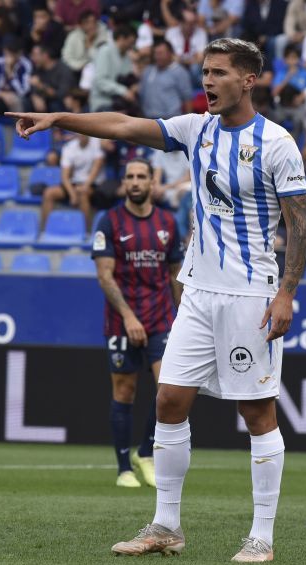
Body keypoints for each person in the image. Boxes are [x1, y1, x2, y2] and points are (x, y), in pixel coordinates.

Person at [7, 37, 306, 563]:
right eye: (205, 72)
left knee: (257, 411)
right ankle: (166, 525)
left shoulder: (278, 143)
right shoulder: (197, 130)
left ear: (248, 80)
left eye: (218, 73)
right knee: (169, 401)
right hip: (197, 291)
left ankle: (262, 534)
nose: (207, 82)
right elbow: (125, 125)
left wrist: (286, 292)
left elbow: (299, 225)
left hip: (249, 294)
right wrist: (60, 117)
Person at [91, 159, 184, 488]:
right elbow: (104, 276)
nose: (134, 181)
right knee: (125, 390)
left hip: (160, 318)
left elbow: (175, 274)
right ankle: (123, 469)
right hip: (121, 320)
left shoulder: (168, 223)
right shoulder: (109, 221)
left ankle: (145, 452)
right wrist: (129, 316)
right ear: (123, 183)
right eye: (129, 176)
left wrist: (183, 316)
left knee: (168, 389)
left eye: (141, 176)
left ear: (151, 182)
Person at [41, 133, 104, 233]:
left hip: (93, 184)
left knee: (82, 193)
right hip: (74, 183)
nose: (82, 135)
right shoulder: (69, 147)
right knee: (49, 193)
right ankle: (45, 231)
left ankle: (86, 232)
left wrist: (84, 187)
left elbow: (96, 170)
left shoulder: (97, 144)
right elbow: (64, 177)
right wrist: (72, 194)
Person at [0, 36, 33, 120]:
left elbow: (23, 91)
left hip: (16, 97)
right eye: (8, 52)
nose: (10, 56)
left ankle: (20, 130)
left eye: (13, 53)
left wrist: (11, 73)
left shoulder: (25, 65)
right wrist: (0, 94)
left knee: (16, 101)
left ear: (20, 53)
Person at [89, 23, 138, 112]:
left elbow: (127, 78)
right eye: (130, 42)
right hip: (103, 103)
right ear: (121, 38)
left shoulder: (126, 56)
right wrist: (124, 91)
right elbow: (100, 81)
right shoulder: (105, 51)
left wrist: (133, 86)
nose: (131, 46)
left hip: (120, 103)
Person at [140, 40, 193, 120]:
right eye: (155, 53)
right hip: (148, 119)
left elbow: (187, 99)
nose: (157, 57)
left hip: (170, 121)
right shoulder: (148, 70)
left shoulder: (180, 72)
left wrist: (189, 123)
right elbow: (142, 95)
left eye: (161, 53)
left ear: (170, 53)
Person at [28, 45, 75, 114]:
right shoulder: (37, 69)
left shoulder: (63, 69)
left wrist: (41, 86)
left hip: (61, 103)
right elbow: (32, 88)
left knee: (56, 105)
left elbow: (62, 94)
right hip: (44, 102)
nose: (33, 58)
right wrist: (35, 96)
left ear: (45, 55)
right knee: (26, 102)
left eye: (35, 55)